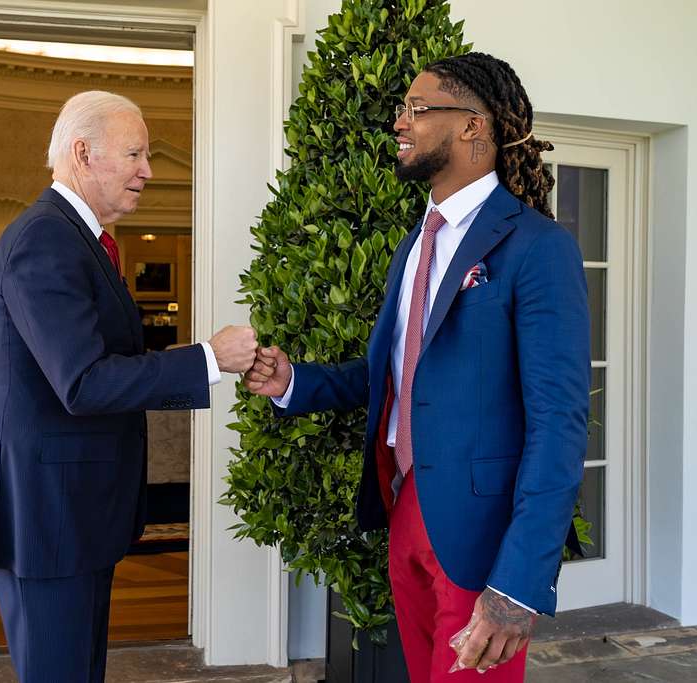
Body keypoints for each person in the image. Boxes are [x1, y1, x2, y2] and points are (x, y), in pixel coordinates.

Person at [244, 53, 590, 682]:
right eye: (402, 108)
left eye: (417, 108)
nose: (399, 122)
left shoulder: (539, 248)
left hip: (479, 539)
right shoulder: (417, 243)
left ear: (472, 127)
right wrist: (293, 380)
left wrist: (517, 586)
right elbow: (397, 376)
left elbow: (559, 426)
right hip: (405, 510)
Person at [0, 90, 257, 682]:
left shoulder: (80, 239)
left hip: (73, 510)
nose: (148, 171)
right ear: (82, 153)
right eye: (135, 154)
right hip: (50, 515)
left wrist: (210, 365)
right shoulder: (46, 240)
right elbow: (84, 383)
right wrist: (207, 357)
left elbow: (105, 366)